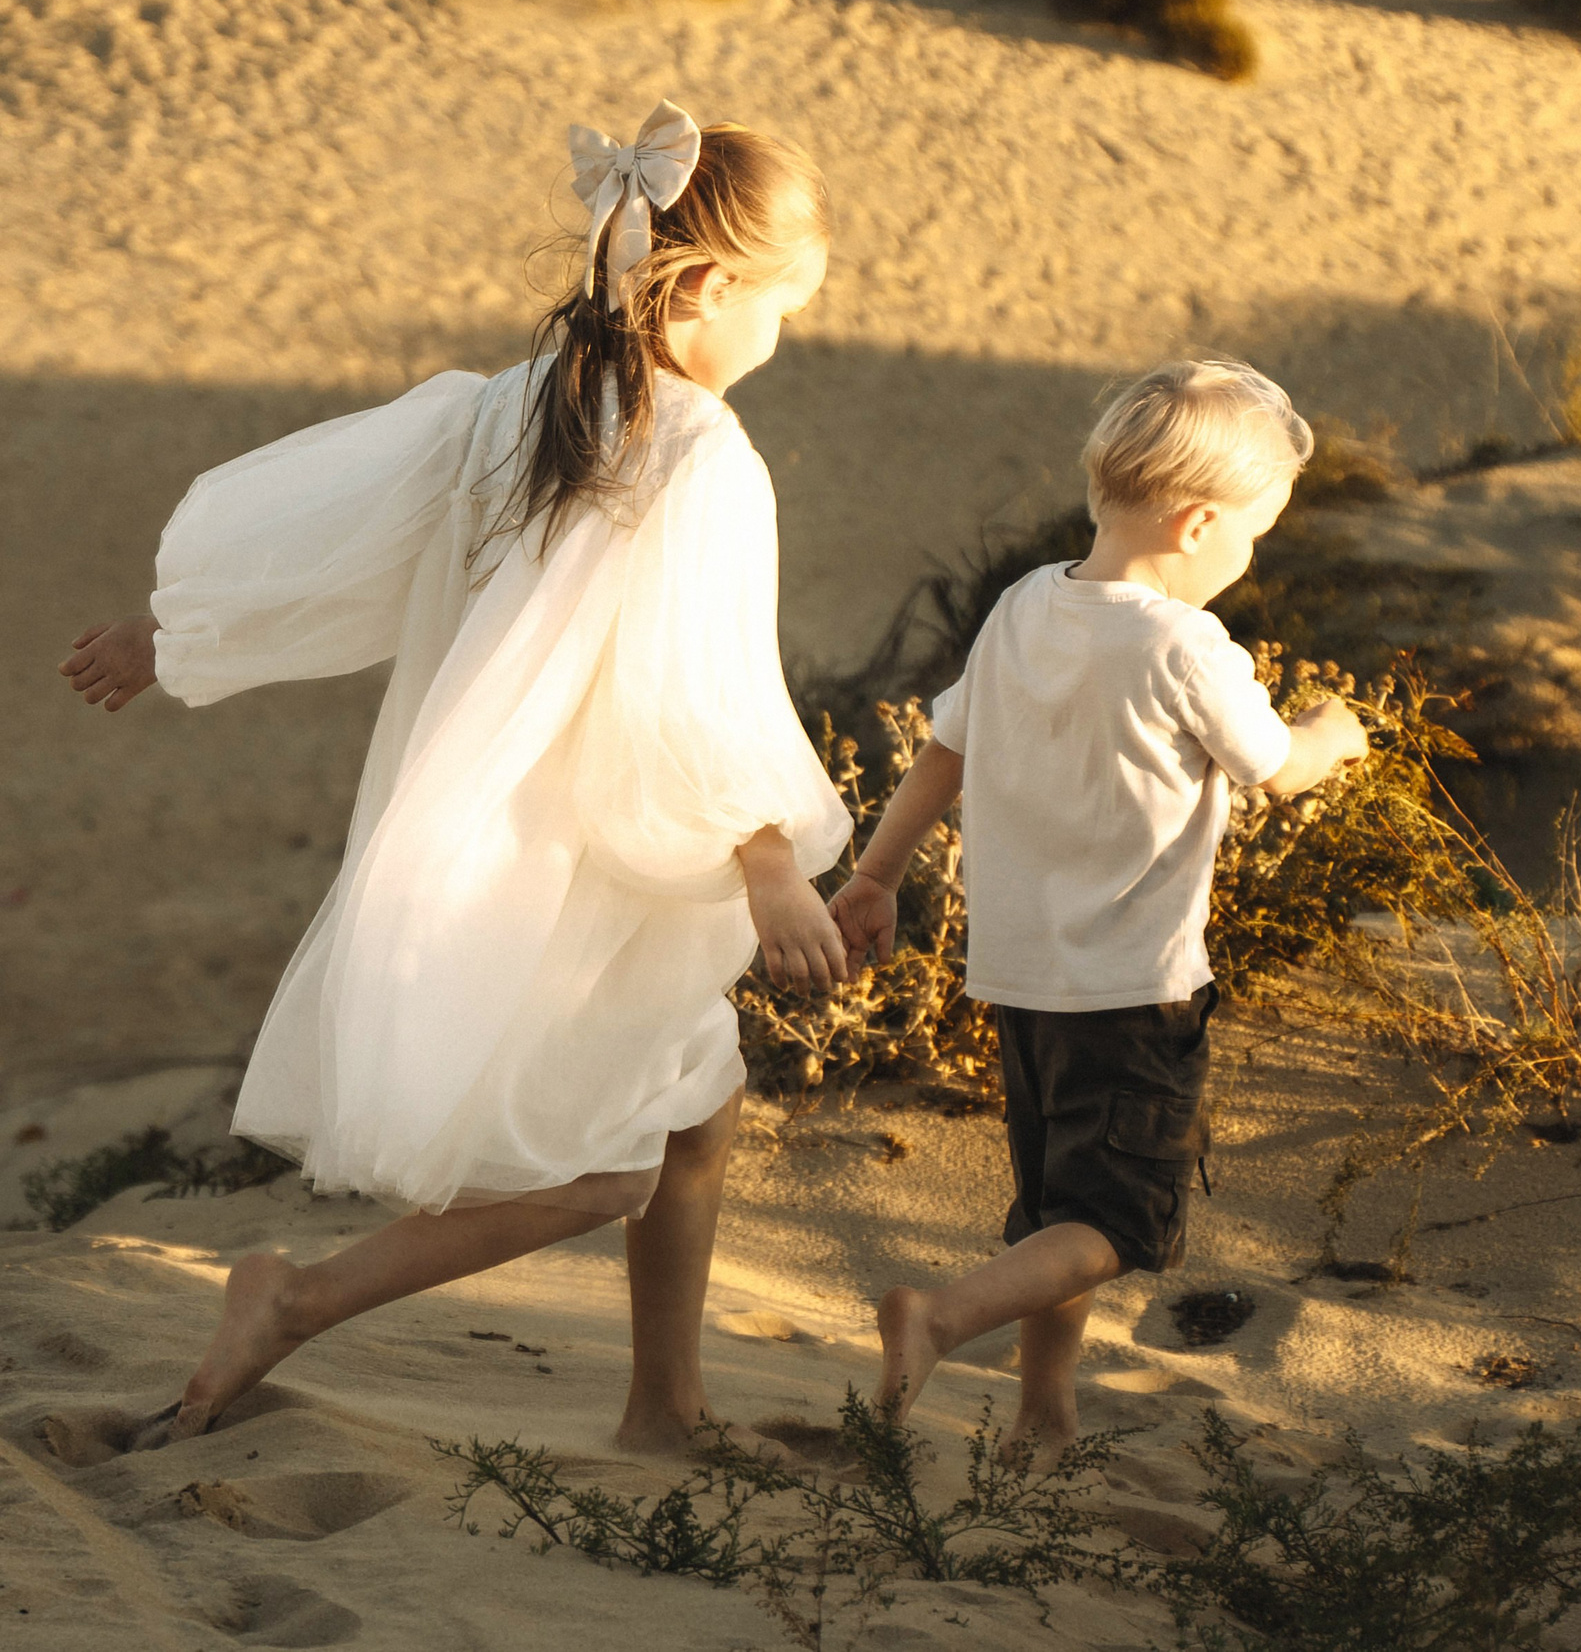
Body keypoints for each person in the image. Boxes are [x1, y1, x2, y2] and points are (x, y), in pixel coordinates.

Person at [54, 101, 853, 1451]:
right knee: (602, 1164)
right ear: (711, 287)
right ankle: (292, 1295)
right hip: (579, 866)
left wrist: (177, 630)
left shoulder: (518, 402)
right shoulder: (707, 455)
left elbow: (335, 530)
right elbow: (697, 683)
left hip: (493, 827)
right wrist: (768, 857)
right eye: (782, 307)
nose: (779, 337)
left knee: (695, 1100)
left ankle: (665, 1402)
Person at [831, 359, 1368, 1467]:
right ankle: (941, 1317)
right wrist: (1336, 732)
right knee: (1115, 1226)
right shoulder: (1185, 646)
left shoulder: (1026, 603)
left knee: (1054, 1214)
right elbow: (1274, 768)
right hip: (1134, 987)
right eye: (1253, 535)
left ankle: (1044, 1417)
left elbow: (945, 754)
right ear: (1199, 521)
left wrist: (875, 875)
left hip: (1020, 980)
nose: (1249, 557)